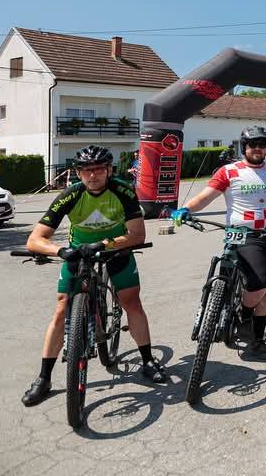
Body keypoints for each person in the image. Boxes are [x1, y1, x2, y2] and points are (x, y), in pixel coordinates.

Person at [21, 145, 166, 407]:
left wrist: (104, 244)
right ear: (78, 173)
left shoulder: (123, 191)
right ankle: (44, 378)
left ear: (109, 170)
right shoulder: (71, 195)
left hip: (116, 250)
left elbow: (137, 235)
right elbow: (34, 239)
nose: (92, 175)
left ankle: (147, 360)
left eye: (99, 169)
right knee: (62, 308)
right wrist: (60, 250)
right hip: (79, 253)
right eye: (86, 170)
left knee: (131, 302)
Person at [173, 126, 266, 360]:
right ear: (244, 147)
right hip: (242, 234)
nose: (257, 149)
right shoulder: (229, 171)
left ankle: (257, 341)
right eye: (252, 145)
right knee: (260, 283)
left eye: (262, 145)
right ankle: (244, 315)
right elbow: (206, 196)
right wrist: (186, 208)